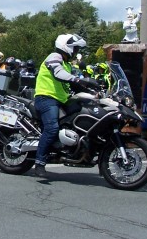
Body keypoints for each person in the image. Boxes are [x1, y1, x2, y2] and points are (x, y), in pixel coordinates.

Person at [33, 33, 99, 178]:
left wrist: (93, 91)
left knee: (81, 113)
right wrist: (79, 80)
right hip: (46, 98)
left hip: (61, 100)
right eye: (75, 48)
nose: (76, 52)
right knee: (52, 128)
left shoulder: (67, 65)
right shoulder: (54, 57)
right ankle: (39, 163)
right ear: (66, 47)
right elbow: (58, 73)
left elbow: (74, 85)